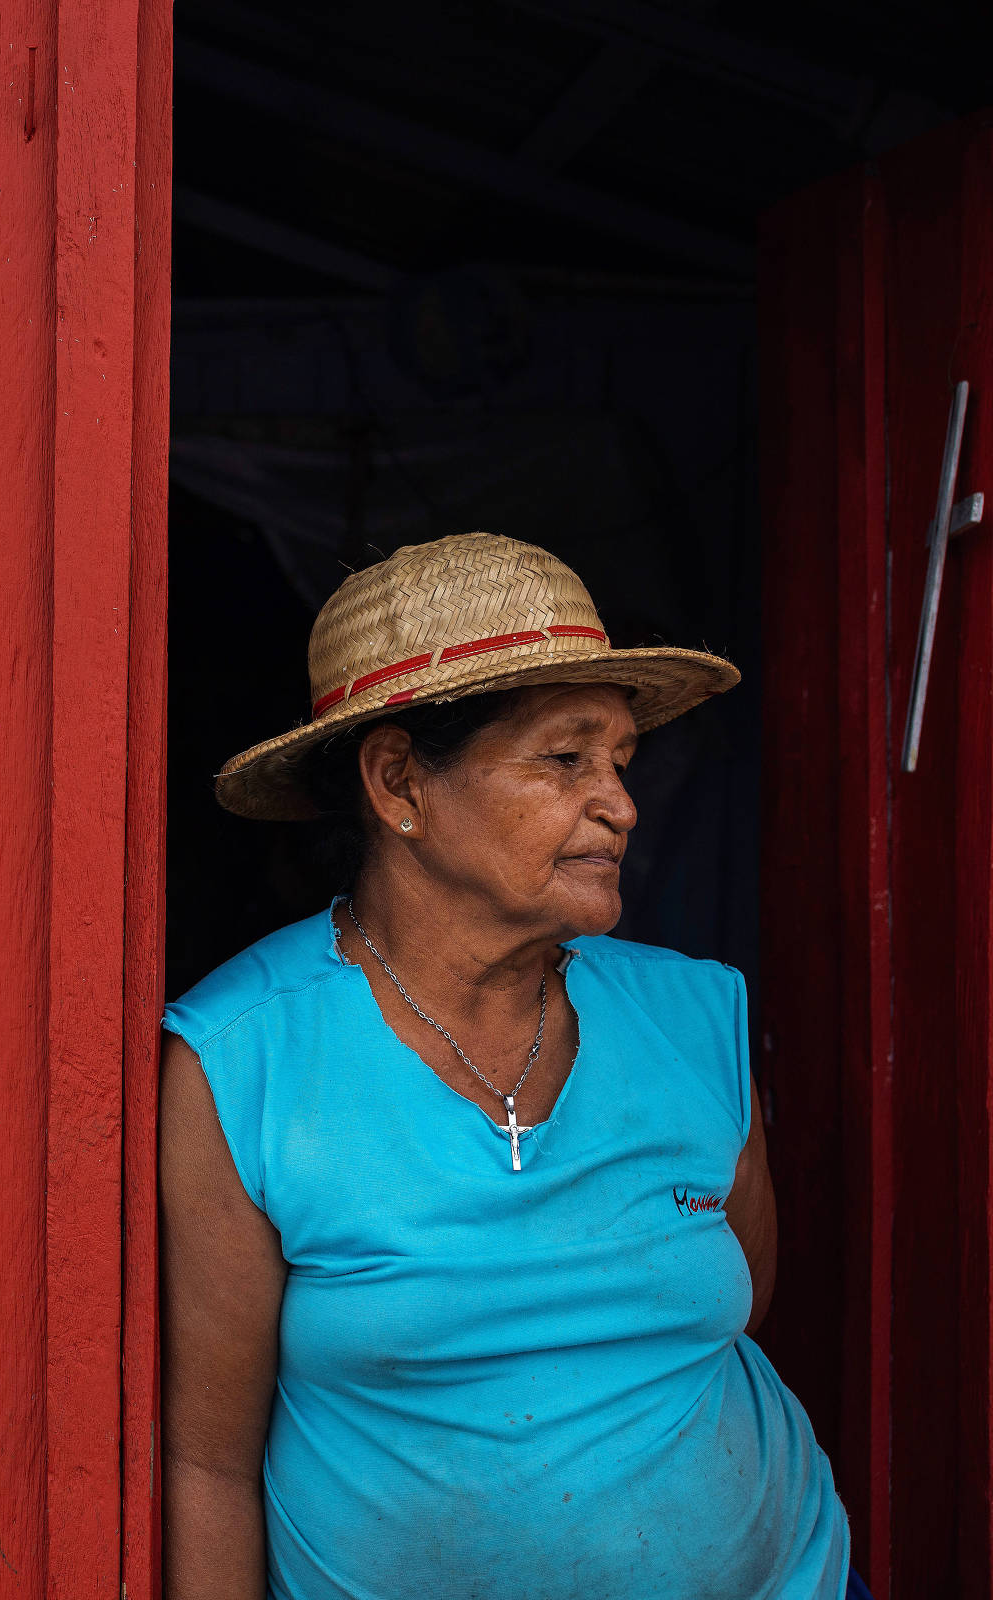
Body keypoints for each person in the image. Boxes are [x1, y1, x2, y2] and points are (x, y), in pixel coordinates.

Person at [161, 532, 857, 1598]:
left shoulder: (694, 1013)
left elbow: (741, 1305)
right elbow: (209, 1462)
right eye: (565, 759)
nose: (620, 804)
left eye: (620, 761)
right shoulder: (243, 1062)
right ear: (400, 783)